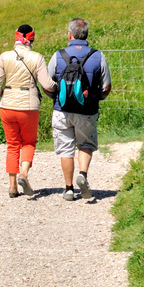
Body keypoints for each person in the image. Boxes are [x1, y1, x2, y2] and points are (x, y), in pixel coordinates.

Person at [43, 17, 112, 201]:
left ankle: (68, 189)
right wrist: (98, 98)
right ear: (87, 34)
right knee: (86, 144)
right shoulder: (98, 56)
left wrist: (55, 98)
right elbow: (106, 86)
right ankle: (83, 174)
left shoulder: (58, 55)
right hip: (87, 110)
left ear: (70, 34)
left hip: (62, 109)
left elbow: (47, 83)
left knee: (65, 149)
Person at [0, 24, 52, 198]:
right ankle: (23, 174)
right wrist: (56, 89)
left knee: (12, 144)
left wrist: (3, 94)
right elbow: (46, 84)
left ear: (15, 37)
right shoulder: (37, 58)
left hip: (7, 105)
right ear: (32, 39)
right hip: (28, 106)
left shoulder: (4, 56)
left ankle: (12, 186)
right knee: (29, 142)